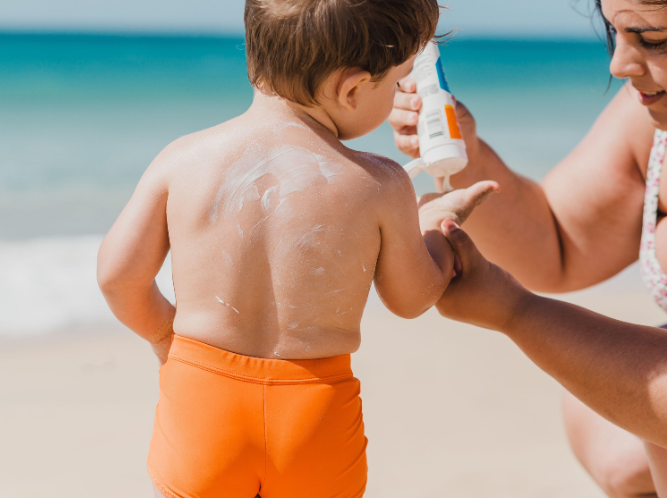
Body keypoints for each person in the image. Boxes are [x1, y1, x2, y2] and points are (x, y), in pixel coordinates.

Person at [96, 1, 496, 496]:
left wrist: (163, 334)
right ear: (350, 89)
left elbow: (117, 276)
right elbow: (410, 298)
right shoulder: (379, 183)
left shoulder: (183, 159)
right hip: (314, 416)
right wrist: (435, 228)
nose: (399, 96)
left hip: (202, 403)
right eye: (396, 85)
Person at [389, 0, 667, 496]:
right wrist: (466, 153)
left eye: (653, 40)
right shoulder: (648, 117)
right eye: (615, 33)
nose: (618, 64)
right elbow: (558, 245)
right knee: (603, 430)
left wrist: (516, 313)